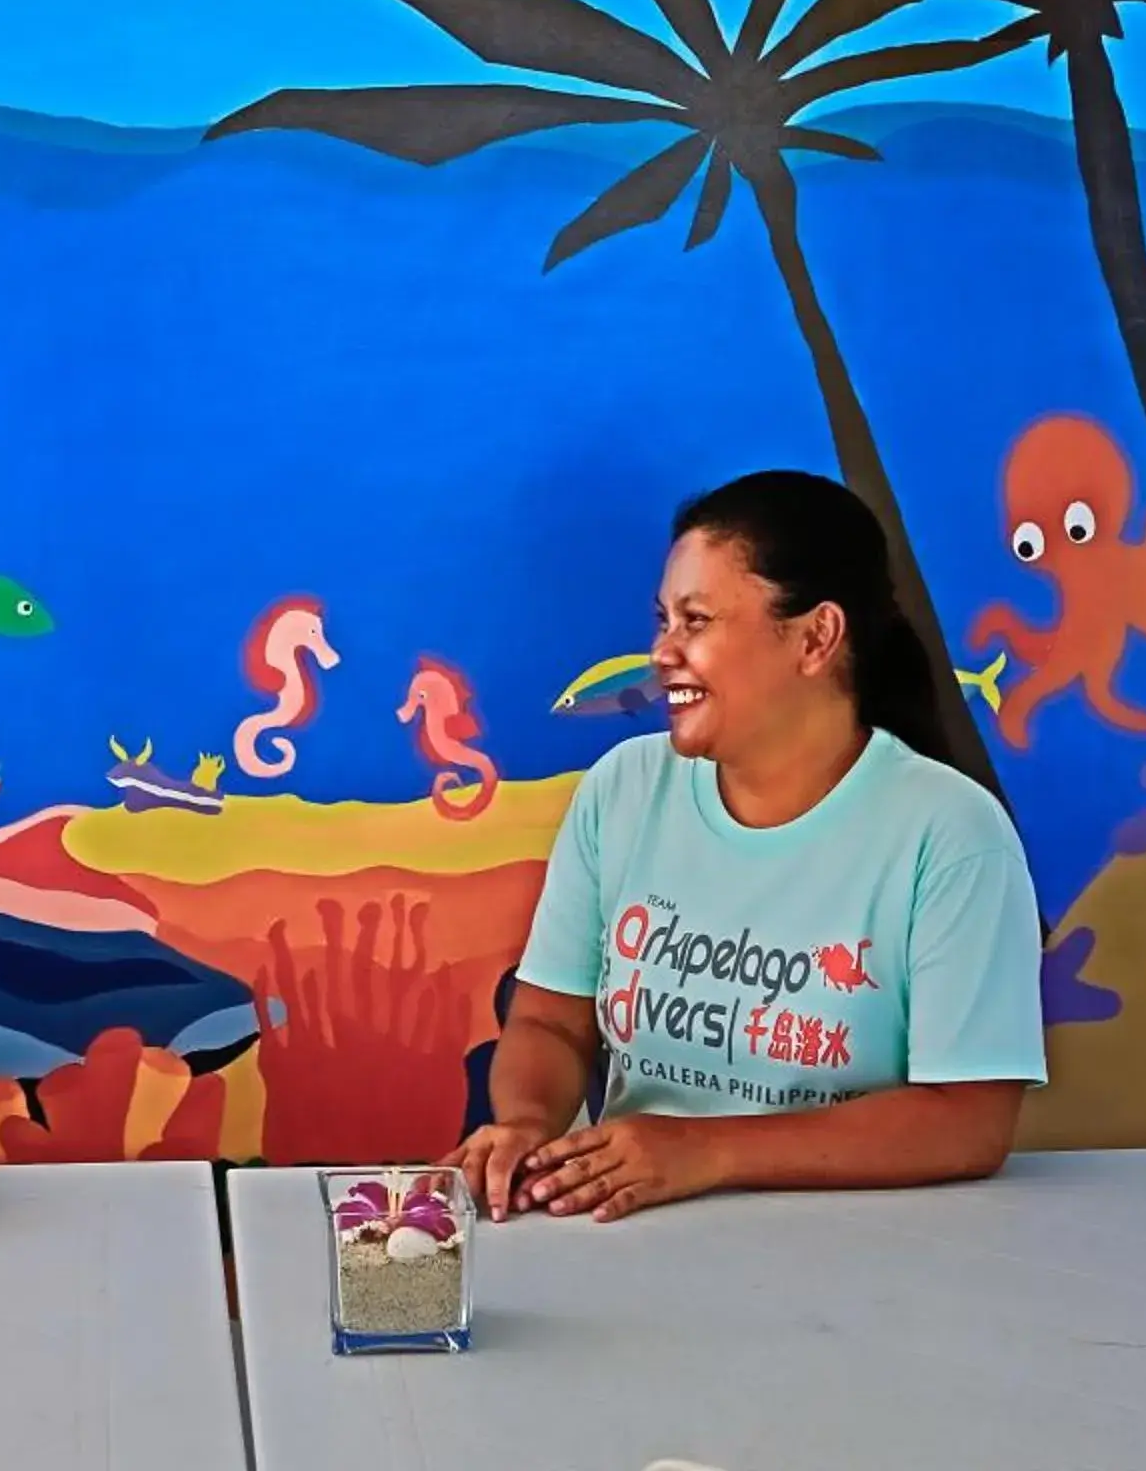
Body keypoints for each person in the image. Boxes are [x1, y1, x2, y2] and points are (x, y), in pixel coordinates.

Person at [446, 470, 1045, 1223]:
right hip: (637, 1243)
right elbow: (549, 1022)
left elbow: (968, 1121)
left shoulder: (952, 834)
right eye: (662, 621)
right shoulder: (623, 790)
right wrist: (527, 1126)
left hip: (872, 1260)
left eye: (696, 621)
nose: (663, 652)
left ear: (816, 638)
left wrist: (708, 1151)